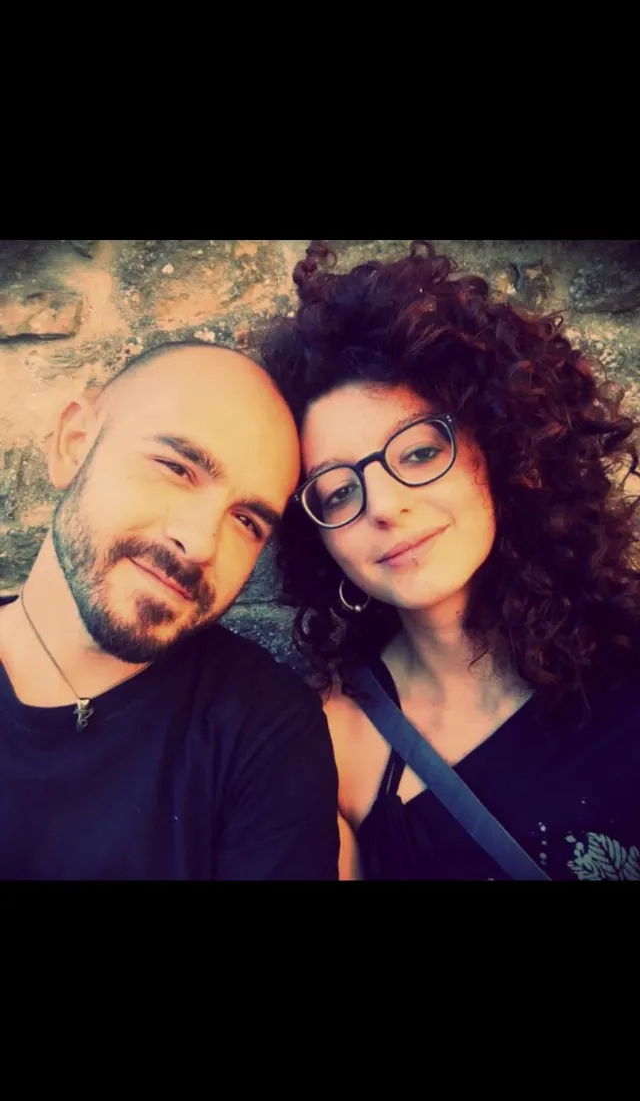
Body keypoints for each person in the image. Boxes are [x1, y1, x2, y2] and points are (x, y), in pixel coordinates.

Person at [261, 240, 640, 881]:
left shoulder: (626, 654)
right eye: (339, 489)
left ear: (499, 447)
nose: (382, 506)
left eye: (416, 453)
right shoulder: (338, 745)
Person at [0, 340, 339, 879]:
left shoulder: (266, 734)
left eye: (248, 521)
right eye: (176, 468)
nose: (201, 542)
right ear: (74, 445)